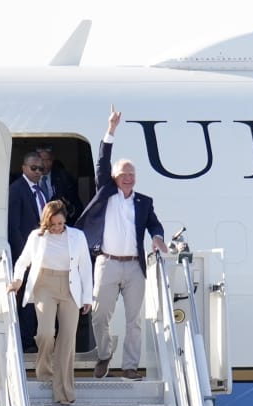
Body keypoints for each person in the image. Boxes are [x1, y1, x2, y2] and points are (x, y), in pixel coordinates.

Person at [78, 106, 166, 380]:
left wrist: (158, 237)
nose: (129, 177)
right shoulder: (106, 192)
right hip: (107, 263)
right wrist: (111, 130)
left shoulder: (143, 201)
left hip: (134, 267)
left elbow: (154, 222)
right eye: (123, 174)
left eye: (132, 174)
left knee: (134, 320)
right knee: (100, 315)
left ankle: (129, 366)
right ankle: (104, 355)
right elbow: (103, 161)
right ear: (114, 178)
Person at [10, 201, 93, 406]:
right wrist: (18, 280)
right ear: (46, 222)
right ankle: (44, 369)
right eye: (53, 224)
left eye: (60, 223)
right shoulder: (36, 237)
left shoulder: (77, 236)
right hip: (44, 285)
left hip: (70, 287)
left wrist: (87, 297)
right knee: (46, 333)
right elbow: (23, 261)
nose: (57, 227)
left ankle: (64, 390)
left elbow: (85, 267)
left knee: (67, 340)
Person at [8, 152, 49, 351]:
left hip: (42, 254)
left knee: (36, 296)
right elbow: (13, 226)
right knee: (26, 297)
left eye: (41, 169)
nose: (38, 172)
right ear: (24, 168)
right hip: (26, 254)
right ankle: (25, 341)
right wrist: (23, 256)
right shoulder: (16, 190)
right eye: (34, 168)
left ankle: (33, 337)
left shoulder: (40, 191)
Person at [37, 145, 82, 224]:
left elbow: (76, 206)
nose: (44, 164)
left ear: (52, 160)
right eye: (41, 160)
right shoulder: (30, 179)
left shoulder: (64, 178)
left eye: (48, 160)